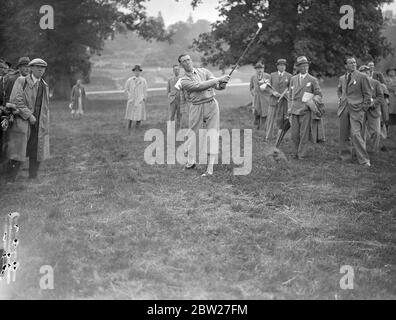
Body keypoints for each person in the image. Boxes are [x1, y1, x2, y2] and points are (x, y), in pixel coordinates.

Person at [179, 53, 230, 176]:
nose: (187, 62)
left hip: (211, 104)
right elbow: (199, 86)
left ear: (191, 60)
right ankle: (191, 162)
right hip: (196, 106)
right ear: (181, 64)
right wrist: (218, 79)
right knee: (192, 135)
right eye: (184, 61)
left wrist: (222, 84)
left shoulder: (204, 71)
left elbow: (217, 86)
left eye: (188, 59)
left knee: (212, 134)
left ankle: (209, 169)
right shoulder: (184, 80)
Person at [6, 58, 51, 181]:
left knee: (36, 150)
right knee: (17, 151)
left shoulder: (44, 85)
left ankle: (33, 177)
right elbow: (16, 100)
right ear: (31, 68)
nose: (40, 69)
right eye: (37, 67)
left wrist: (44, 122)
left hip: (38, 124)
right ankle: (10, 179)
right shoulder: (22, 81)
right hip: (22, 121)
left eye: (43, 68)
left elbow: (46, 107)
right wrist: (29, 116)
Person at [337, 56, 372, 166]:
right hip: (344, 108)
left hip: (357, 109)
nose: (353, 64)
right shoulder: (342, 78)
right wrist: (341, 99)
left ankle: (364, 160)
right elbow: (339, 90)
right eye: (350, 63)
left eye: (354, 62)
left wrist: (363, 108)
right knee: (344, 134)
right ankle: (345, 157)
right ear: (345, 65)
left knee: (356, 134)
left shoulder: (362, 76)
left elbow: (368, 94)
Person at [287, 56, 323, 159]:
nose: (304, 67)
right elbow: (290, 96)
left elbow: (319, 94)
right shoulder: (293, 79)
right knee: (294, 134)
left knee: (304, 134)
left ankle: (301, 154)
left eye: (306, 65)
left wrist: (311, 101)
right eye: (301, 65)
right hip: (294, 110)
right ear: (298, 67)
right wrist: (289, 108)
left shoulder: (312, 79)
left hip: (305, 110)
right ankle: (294, 153)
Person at [359, 65, 385, 153]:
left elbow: (381, 97)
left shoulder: (376, 83)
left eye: (367, 72)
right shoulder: (357, 84)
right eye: (362, 73)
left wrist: (372, 103)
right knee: (360, 132)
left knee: (376, 132)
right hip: (361, 110)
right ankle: (361, 150)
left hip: (374, 110)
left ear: (370, 73)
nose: (365, 74)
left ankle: (374, 150)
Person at [267, 59, 292, 143]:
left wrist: (287, 94)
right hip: (273, 101)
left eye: (284, 65)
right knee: (271, 119)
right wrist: (273, 92)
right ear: (277, 66)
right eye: (280, 65)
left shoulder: (289, 76)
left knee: (282, 120)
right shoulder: (272, 75)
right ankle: (268, 137)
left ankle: (280, 138)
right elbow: (268, 87)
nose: (282, 67)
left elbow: (290, 89)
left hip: (284, 102)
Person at [250, 62, 271, 134]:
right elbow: (251, 88)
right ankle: (256, 129)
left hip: (265, 99)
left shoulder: (267, 76)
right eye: (258, 68)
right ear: (256, 69)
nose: (260, 70)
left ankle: (263, 130)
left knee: (264, 114)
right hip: (256, 99)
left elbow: (271, 88)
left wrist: (266, 90)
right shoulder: (253, 77)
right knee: (256, 114)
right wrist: (254, 94)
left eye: (261, 68)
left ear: (263, 69)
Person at [124, 65, 147, 130]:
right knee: (130, 115)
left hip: (139, 100)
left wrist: (143, 98)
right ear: (133, 72)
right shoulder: (129, 80)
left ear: (140, 72)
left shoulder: (143, 80)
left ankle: (138, 128)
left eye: (138, 71)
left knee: (139, 115)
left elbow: (145, 90)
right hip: (132, 99)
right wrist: (129, 97)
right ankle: (128, 128)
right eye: (136, 71)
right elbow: (126, 90)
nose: (137, 72)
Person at [167, 65, 182, 129]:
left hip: (180, 100)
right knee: (171, 115)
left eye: (178, 69)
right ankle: (171, 129)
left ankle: (179, 129)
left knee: (179, 115)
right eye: (175, 69)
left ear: (179, 70)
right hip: (172, 100)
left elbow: (184, 90)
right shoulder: (170, 79)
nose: (176, 71)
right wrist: (169, 96)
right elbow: (168, 90)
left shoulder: (182, 79)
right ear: (173, 70)